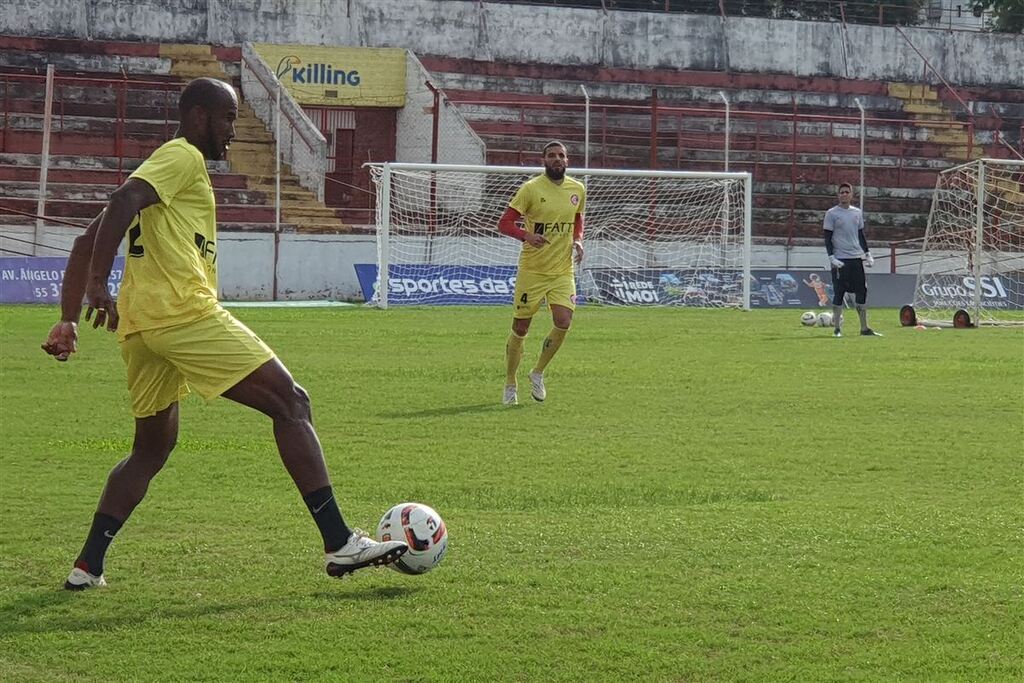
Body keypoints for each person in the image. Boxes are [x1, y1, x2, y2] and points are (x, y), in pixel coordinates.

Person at [41, 77, 407, 590]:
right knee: (292, 403)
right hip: (183, 315)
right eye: (229, 117)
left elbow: (85, 240)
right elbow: (121, 199)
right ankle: (339, 540)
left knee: (150, 449)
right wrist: (99, 284)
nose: (234, 130)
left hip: (142, 331)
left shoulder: (163, 174)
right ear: (198, 117)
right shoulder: (181, 157)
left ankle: (87, 566)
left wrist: (69, 318)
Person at [496, 140, 585, 405]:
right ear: (544, 160)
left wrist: (578, 240)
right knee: (521, 327)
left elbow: (577, 218)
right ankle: (510, 382)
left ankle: (538, 373)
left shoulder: (577, 189)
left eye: (561, 155)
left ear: (567, 160)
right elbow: (504, 223)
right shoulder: (531, 189)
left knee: (564, 321)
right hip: (533, 271)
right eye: (552, 155)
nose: (557, 159)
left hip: (562, 270)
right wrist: (527, 236)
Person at [824, 182, 881, 338]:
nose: (844, 194)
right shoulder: (831, 214)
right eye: (841, 192)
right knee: (839, 292)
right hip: (840, 260)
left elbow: (860, 235)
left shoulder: (857, 213)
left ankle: (864, 328)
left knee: (862, 291)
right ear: (838, 195)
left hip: (856, 258)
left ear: (851, 195)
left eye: (846, 192)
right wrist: (831, 257)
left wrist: (867, 254)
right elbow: (827, 238)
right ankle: (837, 329)